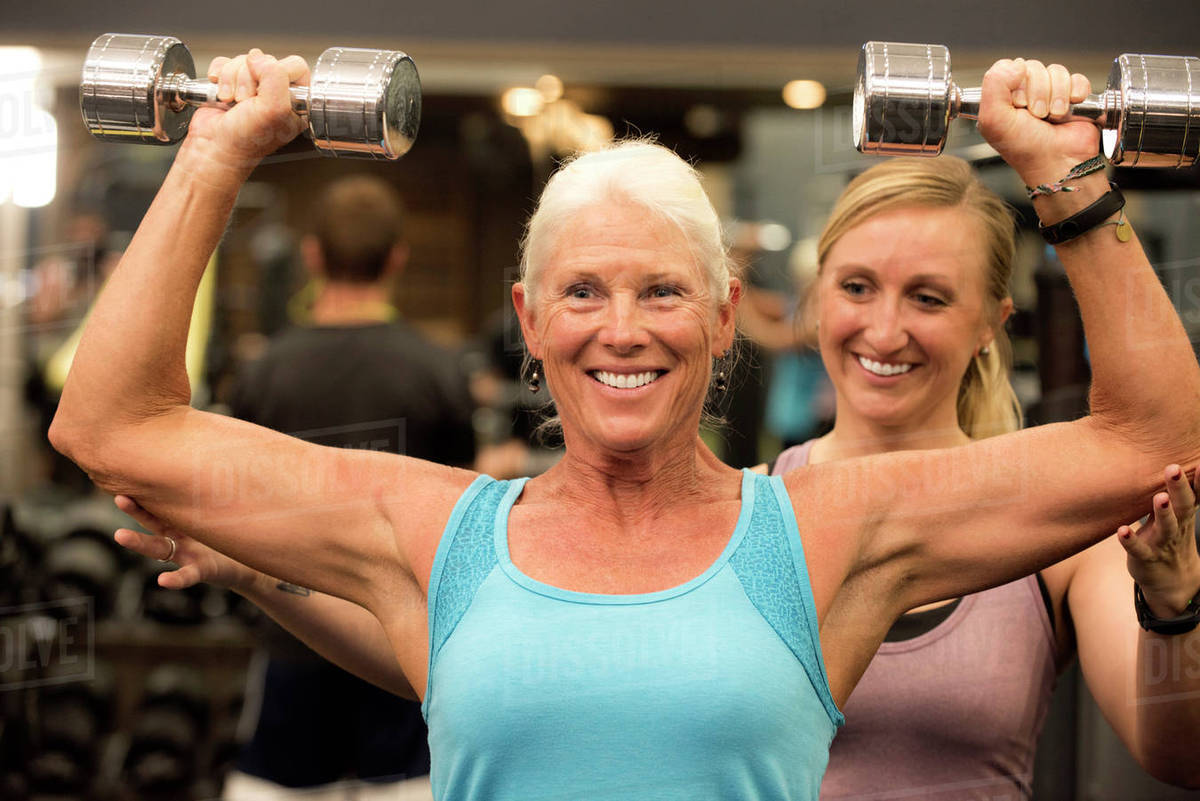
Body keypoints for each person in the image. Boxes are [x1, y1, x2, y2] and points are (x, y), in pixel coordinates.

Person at [49, 49, 1200, 800]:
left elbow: (1152, 437)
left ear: (718, 316)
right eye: (585, 293)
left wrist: (1064, 175)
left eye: (660, 293)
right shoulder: (435, 531)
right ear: (530, 320)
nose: (622, 329)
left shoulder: (821, 531)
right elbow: (112, 423)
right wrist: (215, 150)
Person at [766, 155, 1200, 798]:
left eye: (928, 298)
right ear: (818, 297)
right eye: (856, 287)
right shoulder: (742, 511)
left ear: (990, 327)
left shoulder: (1060, 532)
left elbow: (1181, 758)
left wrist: (1175, 603)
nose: (884, 332)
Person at [220, 174, 474, 800]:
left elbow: (240, 504)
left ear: (312, 256)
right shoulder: (438, 370)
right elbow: (458, 509)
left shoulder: (264, 371)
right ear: (397, 259)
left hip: (297, 631)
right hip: (403, 638)